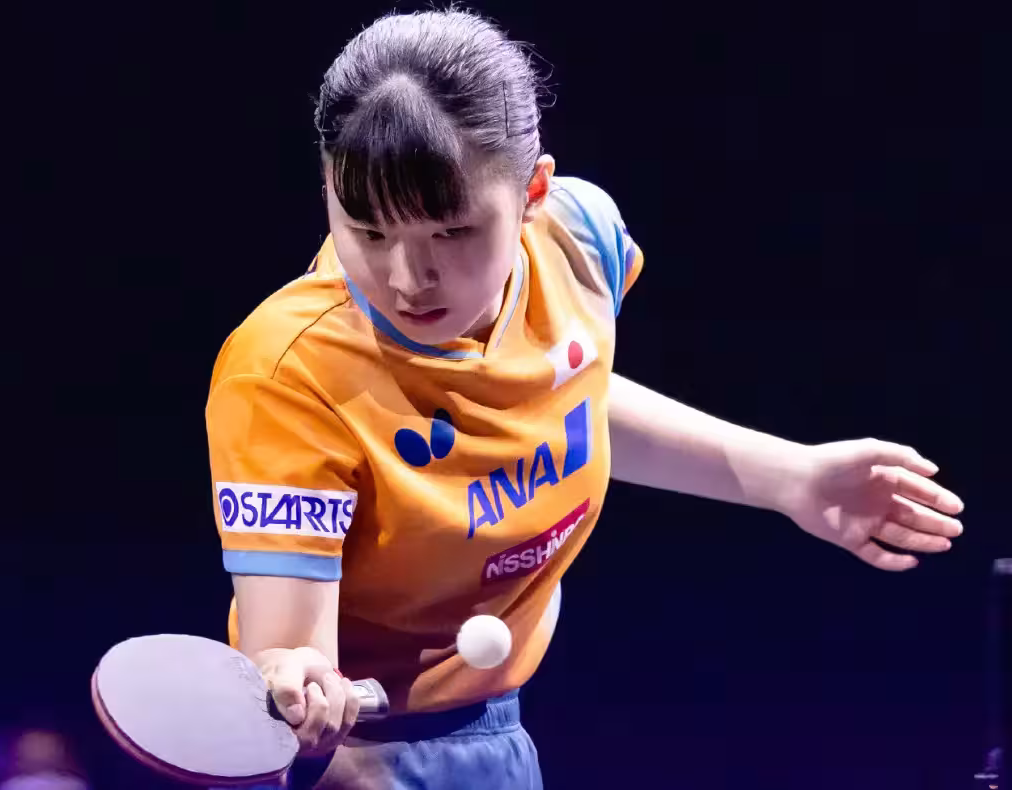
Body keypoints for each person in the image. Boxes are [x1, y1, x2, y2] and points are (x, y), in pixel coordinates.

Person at [205, 8, 965, 788]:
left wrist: (788, 477)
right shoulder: (287, 375)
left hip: (500, 734)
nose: (407, 279)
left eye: (451, 232)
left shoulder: (580, 243)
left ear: (534, 191)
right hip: (363, 761)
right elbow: (290, 658)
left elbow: (565, 398)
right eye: (368, 231)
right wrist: (299, 687)